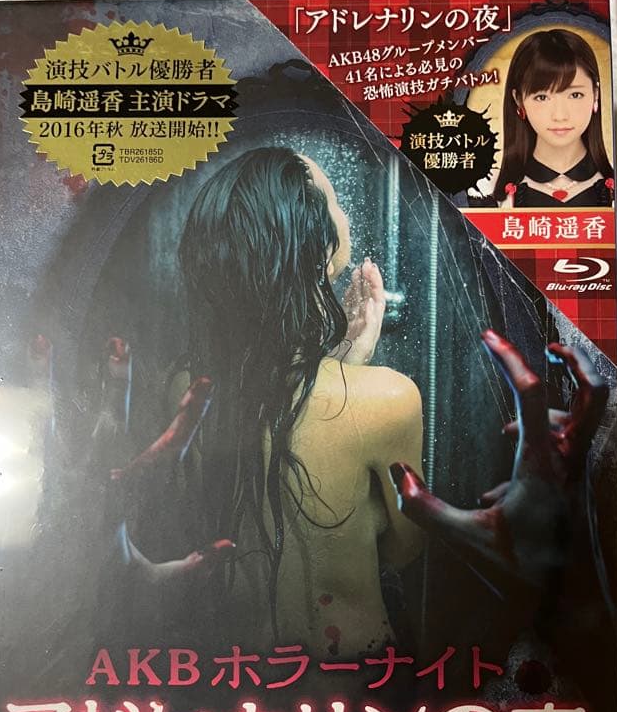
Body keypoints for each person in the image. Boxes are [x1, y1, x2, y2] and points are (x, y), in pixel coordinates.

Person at [164, 145, 426, 655]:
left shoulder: (187, 391)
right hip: (355, 682)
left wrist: (344, 363)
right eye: (334, 201)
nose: (343, 212)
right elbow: (404, 549)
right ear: (318, 245)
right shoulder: (389, 398)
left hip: (236, 675)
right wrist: (352, 372)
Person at [481, 29, 614, 208]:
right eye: (542, 97)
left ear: (595, 94)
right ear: (519, 100)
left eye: (575, 95)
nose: (560, 116)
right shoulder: (489, 191)